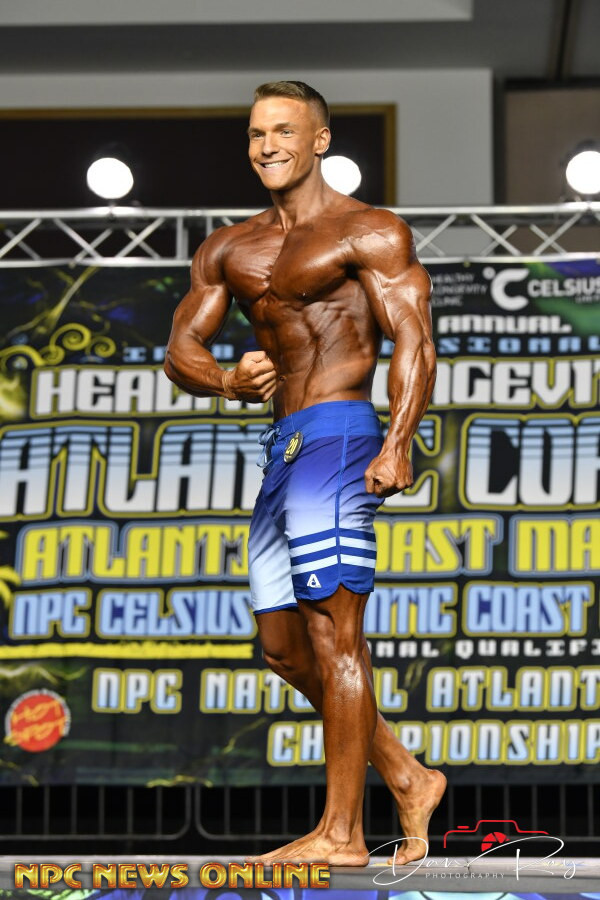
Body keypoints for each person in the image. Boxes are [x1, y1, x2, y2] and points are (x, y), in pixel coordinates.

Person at [165, 80, 445, 867]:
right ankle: (408, 775)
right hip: (282, 444)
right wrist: (224, 380)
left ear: (319, 140)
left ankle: (343, 834)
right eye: (257, 134)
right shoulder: (228, 247)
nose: (268, 146)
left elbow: (414, 339)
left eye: (285, 131)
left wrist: (398, 442)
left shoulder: (369, 230)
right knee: (285, 649)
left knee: (332, 632)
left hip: (342, 433)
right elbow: (179, 350)